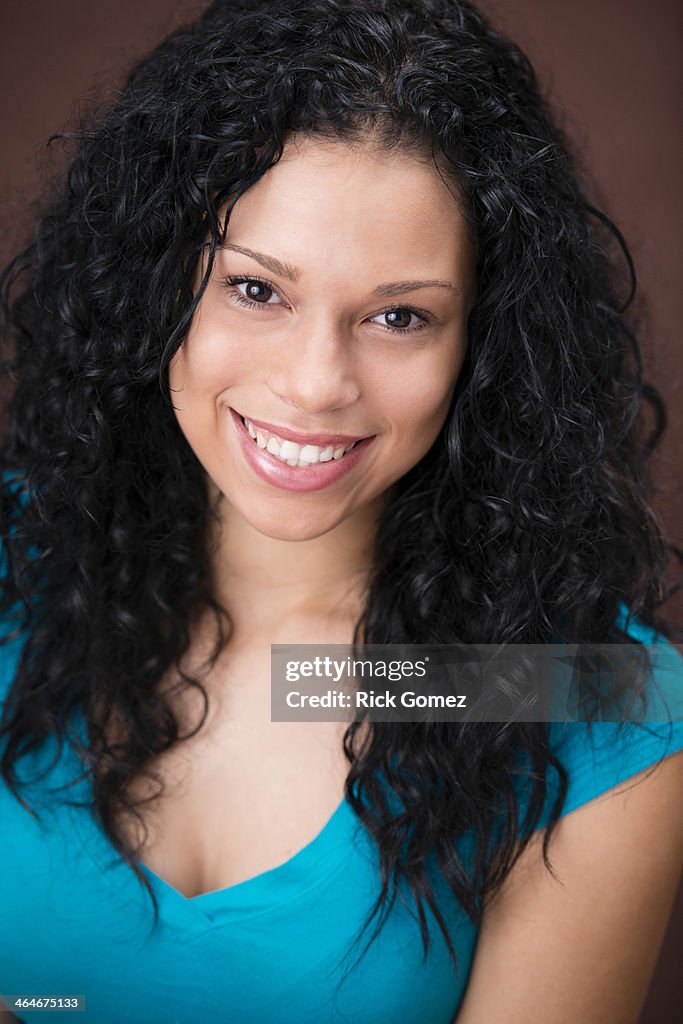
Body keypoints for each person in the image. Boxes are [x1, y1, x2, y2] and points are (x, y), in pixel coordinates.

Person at [1, 1, 682, 1021]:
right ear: (157, 282)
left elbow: (333, 685)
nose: (316, 383)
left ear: (483, 348)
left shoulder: (577, 694)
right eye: (255, 290)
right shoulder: (19, 558)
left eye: (397, 316)